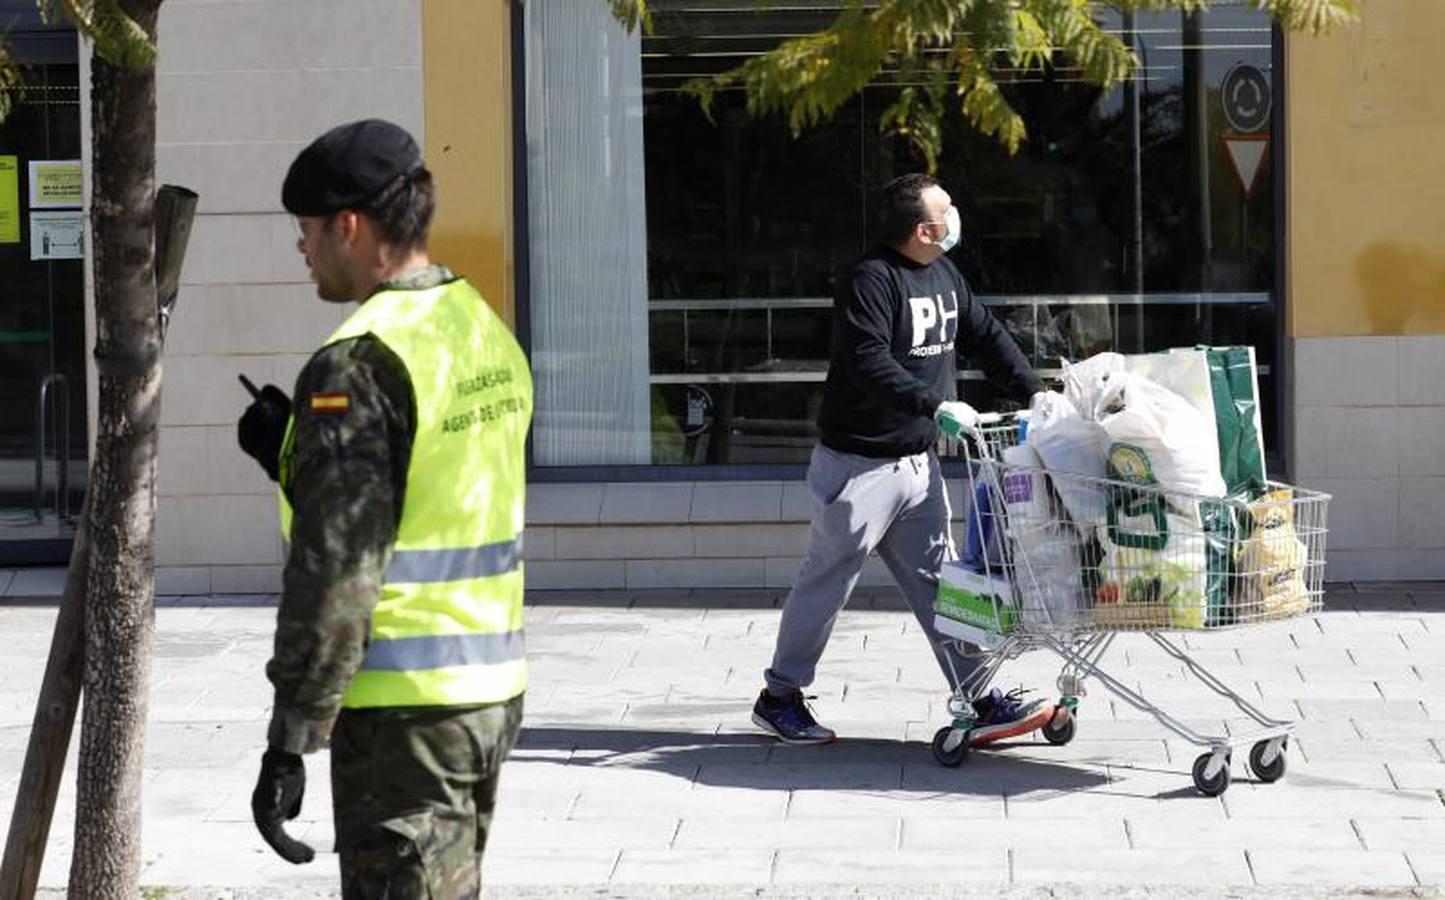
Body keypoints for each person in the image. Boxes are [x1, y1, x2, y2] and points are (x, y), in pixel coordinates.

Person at [237, 119, 533, 898]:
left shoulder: (358, 361)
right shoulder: (480, 328)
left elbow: (339, 569)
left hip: (403, 715)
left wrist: (291, 735)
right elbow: (434, 485)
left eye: (304, 230)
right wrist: (293, 457)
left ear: (348, 224)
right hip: (486, 691)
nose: (300, 248)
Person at [752, 173, 1051, 746]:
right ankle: (779, 697)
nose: (955, 214)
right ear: (922, 229)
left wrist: (1032, 390)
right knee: (827, 584)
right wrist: (936, 404)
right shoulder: (872, 281)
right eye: (947, 209)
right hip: (858, 466)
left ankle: (980, 695)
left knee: (945, 584)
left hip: (917, 466)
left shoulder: (944, 273)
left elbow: (986, 334)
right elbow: (867, 361)